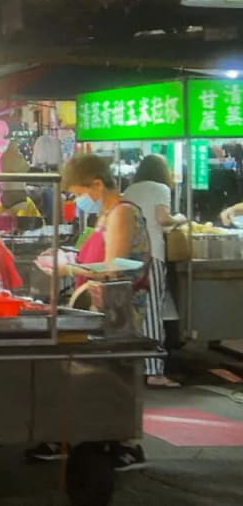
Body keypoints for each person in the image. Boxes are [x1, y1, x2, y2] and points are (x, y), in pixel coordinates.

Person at [29, 154, 152, 471]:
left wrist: (67, 267)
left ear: (97, 184)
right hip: (97, 305)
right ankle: (83, 436)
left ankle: (124, 444)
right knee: (90, 375)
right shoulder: (106, 215)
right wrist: (69, 257)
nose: (78, 200)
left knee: (113, 375)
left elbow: (113, 269)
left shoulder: (122, 213)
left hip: (118, 308)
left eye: (79, 193)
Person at [124, 155, 187, 388]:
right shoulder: (160, 189)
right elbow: (163, 219)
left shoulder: (130, 190)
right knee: (152, 311)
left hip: (129, 256)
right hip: (152, 255)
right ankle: (153, 370)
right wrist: (179, 218)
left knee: (135, 311)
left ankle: (133, 365)